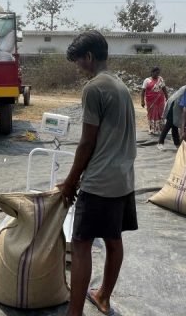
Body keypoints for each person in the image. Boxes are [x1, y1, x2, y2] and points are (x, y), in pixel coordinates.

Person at [57, 31, 137, 316]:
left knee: (80, 245)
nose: (79, 67)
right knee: (114, 240)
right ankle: (102, 296)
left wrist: (70, 182)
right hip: (123, 179)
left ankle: (74, 312)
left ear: (89, 57)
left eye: (79, 61)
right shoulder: (120, 86)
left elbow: (87, 142)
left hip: (100, 182)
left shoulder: (94, 88)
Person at [157, 84, 186, 150]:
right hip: (174, 107)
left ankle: (177, 144)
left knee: (175, 126)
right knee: (168, 125)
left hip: (177, 107)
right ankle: (160, 143)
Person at [141, 67, 168, 135]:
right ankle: (152, 129)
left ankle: (160, 130)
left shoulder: (160, 79)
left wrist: (167, 98)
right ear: (152, 72)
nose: (157, 74)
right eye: (156, 73)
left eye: (158, 73)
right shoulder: (147, 80)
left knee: (160, 115)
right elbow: (143, 91)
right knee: (151, 115)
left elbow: (164, 89)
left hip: (160, 101)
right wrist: (142, 101)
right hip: (151, 101)